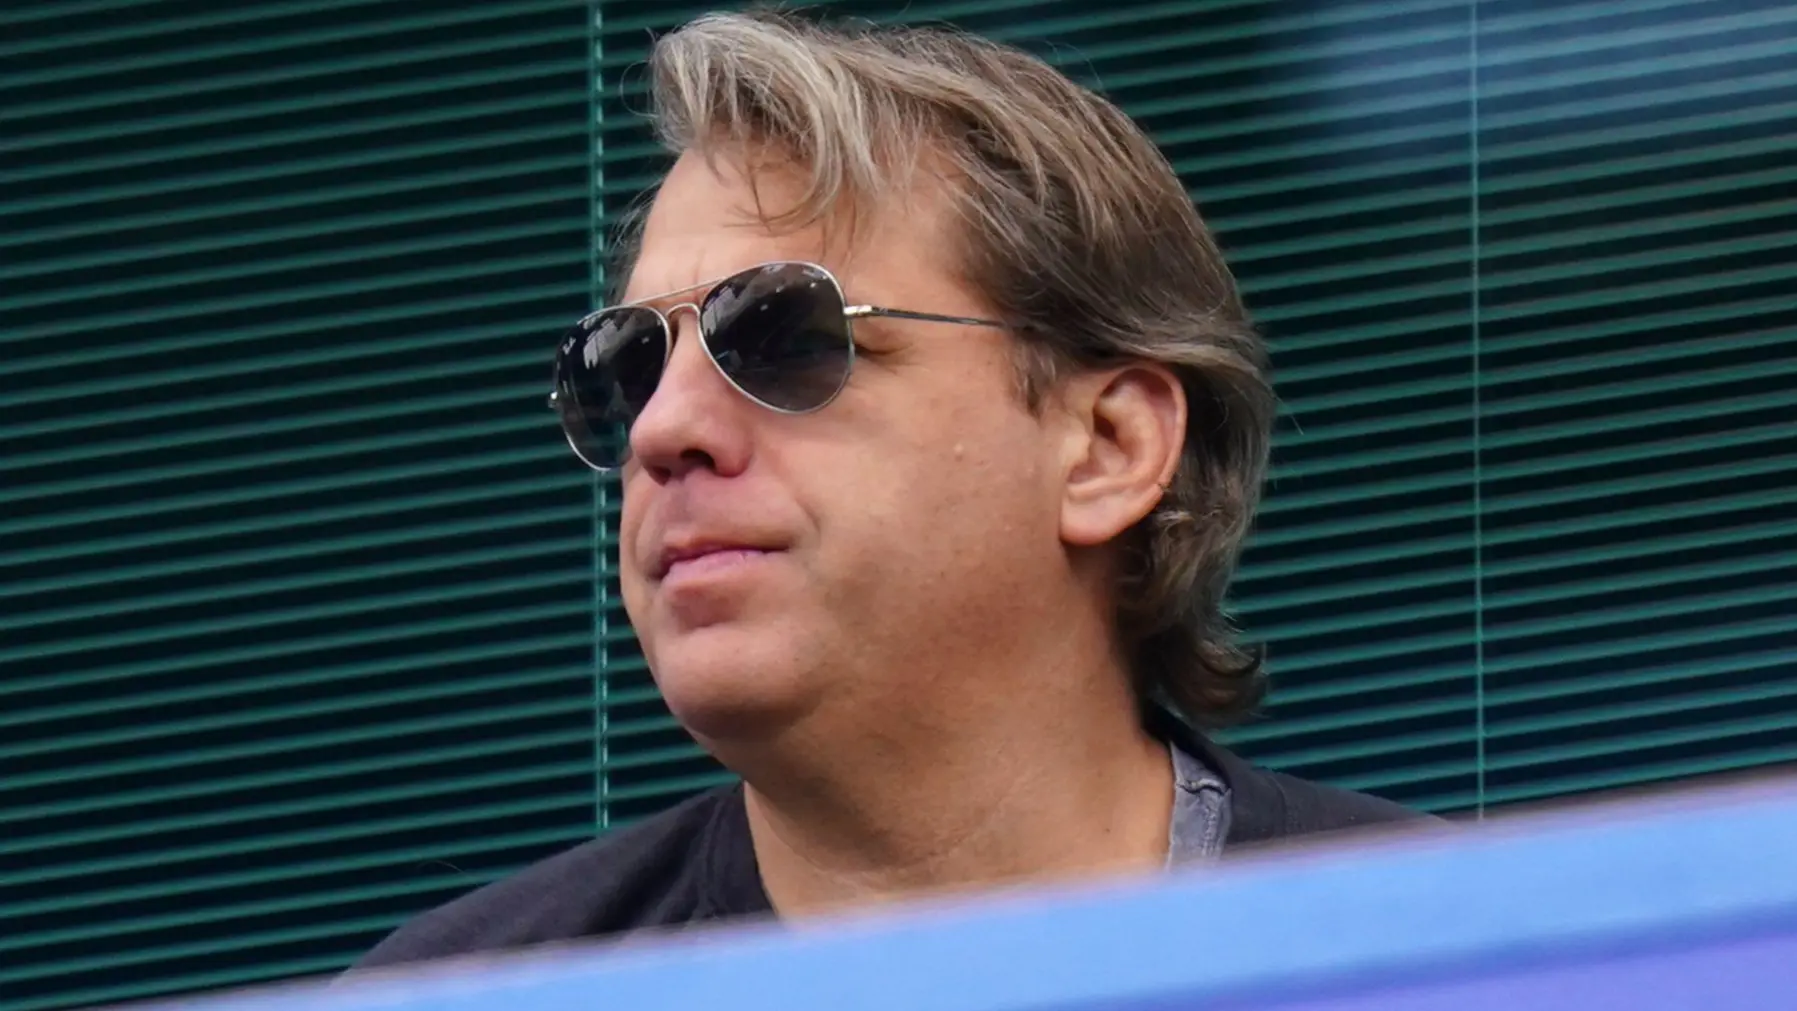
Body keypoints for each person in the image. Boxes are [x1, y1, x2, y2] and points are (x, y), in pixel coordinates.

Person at [352, 7, 1435, 972]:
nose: (665, 429)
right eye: (626, 367)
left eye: (781, 337)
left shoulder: (1464, 958)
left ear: (1106, 446)